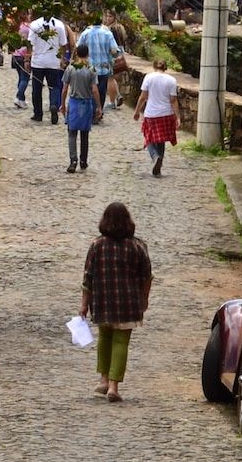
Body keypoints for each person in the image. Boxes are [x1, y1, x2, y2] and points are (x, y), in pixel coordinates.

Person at [79, 201, 152, 402]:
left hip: (103, 300)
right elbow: (147, 276)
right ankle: (113, 386)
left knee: (104, 337)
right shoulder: (138, 246)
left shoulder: (97, 245)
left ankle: (103, 380)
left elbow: (88, 277)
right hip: (129, 302)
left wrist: (84, 304)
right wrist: (144, 299)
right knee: (121, 341)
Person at [134, 58, 179, 177]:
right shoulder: (172, 80)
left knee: (149, 138)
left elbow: (143, 97)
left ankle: (155, 157)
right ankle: (159, 167)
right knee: (161, 140)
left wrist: (137, 111)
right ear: (165, 67)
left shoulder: (149, 77)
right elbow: (173, 100)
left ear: (154, 66)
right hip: (166, 113)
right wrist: (178, 117)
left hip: (151, 113)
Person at [76, 14, 122, 123]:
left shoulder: (86, 33)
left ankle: (90, 113)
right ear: (101, 21)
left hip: (89, 68)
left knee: (89, 91)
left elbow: (79, 48)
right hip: (103, 68)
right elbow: (114, 50)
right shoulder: (107, 33)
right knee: (101, 92)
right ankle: (98, 112)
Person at [26, 14, 69, 124]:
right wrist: (62, 58)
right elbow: (64, 44)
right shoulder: (59, 25)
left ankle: (38, 113)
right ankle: (54, 104)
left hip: (38, 62)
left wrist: (27, 58)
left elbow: (30, 43)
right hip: (53, 62)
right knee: (54, 86)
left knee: (37, 89)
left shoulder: (34, 25)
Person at [62, 50, 98, 172]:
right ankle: (83, 160)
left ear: (77, 54)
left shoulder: (71, 68)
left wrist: (62, 104)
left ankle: (73, 160)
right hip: (86, 103)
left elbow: (65, 88)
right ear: (88, 54)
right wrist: (98, 106)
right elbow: (94, 89)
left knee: (72, 133)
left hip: (74, 103)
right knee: (84, 133)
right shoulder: (91, 69)